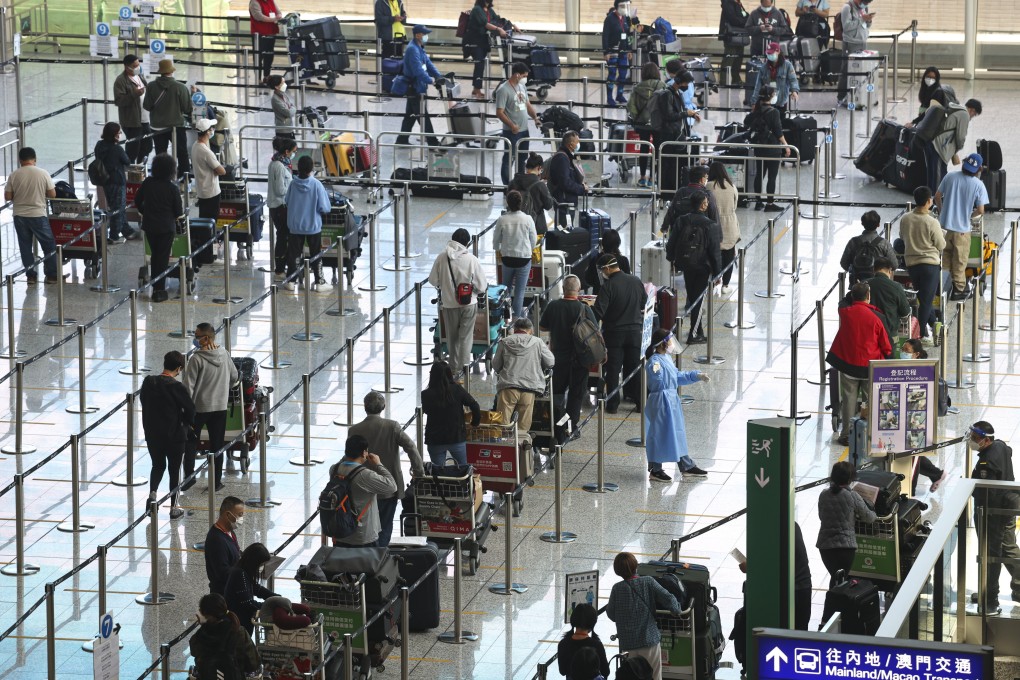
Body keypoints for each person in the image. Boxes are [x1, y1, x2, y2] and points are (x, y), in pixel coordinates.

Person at [348, 391, 424, 547]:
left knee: (365, 525)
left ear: (365, 407)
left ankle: (368, 556)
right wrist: (418, 471)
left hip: (362, 486)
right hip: (388, 488)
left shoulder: (354, 430)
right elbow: (410, 446)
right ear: (383, 407)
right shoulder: (392, 426)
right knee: (385, 526)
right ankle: (380, 556)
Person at [825, 282, 892, 445]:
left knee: (848, 399)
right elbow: (886, 346)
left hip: (849, 365)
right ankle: (871, 433)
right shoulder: (878, 317)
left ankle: (846, 434)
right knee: (871, 400)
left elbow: (842, 302)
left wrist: (851, 295)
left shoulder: (846, 312)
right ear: (868, 296)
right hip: (870, 366)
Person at [606, 551, 684, 680]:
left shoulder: (617, 588)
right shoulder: (648, 581)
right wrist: (677, 610)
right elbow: (668, 599)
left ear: (617, 570)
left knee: (630, 676)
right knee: (654, 676)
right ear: (635, 565)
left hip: (628, 644)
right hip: (649, 641)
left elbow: (611, 614)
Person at [644, 329, 710, 482]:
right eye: (669, 341)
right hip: (661, 400)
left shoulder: (665, 358)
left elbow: (676, 376)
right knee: (659, 434)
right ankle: (655, 469)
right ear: (662, 344)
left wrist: (696, 375)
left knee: (676, 433)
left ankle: (686, 465)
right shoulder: (654, 361)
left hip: (671, 399)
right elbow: (658, 381)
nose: (672, 344)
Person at [968, 421, 1020, 613]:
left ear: (986, 440)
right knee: (1008, 547)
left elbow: (983, 492)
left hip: (993, 512)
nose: (972, 441)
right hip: (1010, 505)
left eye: (975, 438)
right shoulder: (1001, 446)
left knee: (990, 555)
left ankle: (989, 598)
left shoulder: (986, 463)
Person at [182, 322, 239, 493]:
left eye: (197, 336)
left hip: (199, 409)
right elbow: (234, 377)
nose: (195, 338)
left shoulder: (196, 359)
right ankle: (215, 482)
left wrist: (185, 409)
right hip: (220, 408)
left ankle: (189, 478)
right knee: (217, 445)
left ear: (206, 338)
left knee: (191, 442)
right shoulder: (225, 354)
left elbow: (188, 387)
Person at [140, 351, 195, 520]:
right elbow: (191, 410)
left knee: (157, 465)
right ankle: (173, 508)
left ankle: (153, 495)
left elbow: (143, 400)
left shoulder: (149, 382)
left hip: (152, 433)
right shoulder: (177, 387)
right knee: (174, 470)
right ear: (179, 368)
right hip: (174, 435)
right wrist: (186, 422)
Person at [540, 274, 597, 432]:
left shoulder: (553, 306)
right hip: (580, 360)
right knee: (576, 395)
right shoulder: (584, 308)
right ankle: (570, 427)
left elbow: (543, 326)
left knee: (557, 393)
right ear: (578, 290)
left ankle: (556, 423)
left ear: (563, 289)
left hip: (558, 359)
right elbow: (595, 331)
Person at [427, 228, 488, 373]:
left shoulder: (442, 257)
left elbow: (433, 280)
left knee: (452, 338)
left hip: (448, 304)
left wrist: (445, 286)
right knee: (465, 337)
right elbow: (481, 286)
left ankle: (453, 369)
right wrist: (472, 290)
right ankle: (464, 367)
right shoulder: (472, 259)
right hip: (469, 304)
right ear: (467, 243)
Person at [593, 254, 646, 414]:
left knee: (613, 370)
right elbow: (644, 302)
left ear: (607, 268)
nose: (602, 273)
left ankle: (612, 405)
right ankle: (639, 401)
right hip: (635, 333)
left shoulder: (608, 287)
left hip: (614, 334)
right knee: (634, 368)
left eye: (602, 270)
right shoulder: (635, 280)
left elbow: (598, 312)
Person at [669, 190, 723, 344]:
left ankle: (697, 329)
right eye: (705, 202)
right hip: (702, 266)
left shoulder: (682, 220)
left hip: (686, 264)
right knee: (698, 299)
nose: (707, 204)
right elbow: (714, 252)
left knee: (693, 296)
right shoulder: (710, 225)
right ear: (702, 205)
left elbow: (672, 242)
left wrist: (672, 258)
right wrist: (718, 273)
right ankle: (694, 334)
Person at [327, 434, 398, 548]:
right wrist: (378, 464)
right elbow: (392, 486)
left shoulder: (334, 469)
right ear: (364, 452)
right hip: (363, 537)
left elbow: (343, 462)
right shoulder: (365, 475)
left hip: (340, 531)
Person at [936, 153, 988, 300]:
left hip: (944, 227)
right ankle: (959, 290)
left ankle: (943, 289)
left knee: (945, 260)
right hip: (962, 231)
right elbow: (981, 210)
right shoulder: (978, 185)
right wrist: (969, 217)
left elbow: (937, 196)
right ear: (978, 170)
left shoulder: (950, 176)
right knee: (959, 261)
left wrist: (941, 211)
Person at [816, 461, 878, 586]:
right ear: (850, 478)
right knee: (840, 581)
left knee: (836, 578)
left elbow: (821, 516)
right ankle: (834, 604)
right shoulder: (852, 495)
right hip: (844, 547)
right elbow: (869, 518)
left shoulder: (823, 494)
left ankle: (831, 604)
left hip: (825, 546)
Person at [898, 340, 947, 496]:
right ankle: (936, 474)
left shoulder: (924, 369)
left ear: (916, 354)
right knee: (911, 453)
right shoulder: (903, 366)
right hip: (904, 418)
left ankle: (910, 491)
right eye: (902, 349)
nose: (902, 352)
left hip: (918, 418)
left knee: (913, 453)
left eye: (906, 350)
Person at [133, 153, 184, 302]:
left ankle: (155, 284)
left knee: (155, 255)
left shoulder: (148, 183)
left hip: (150, 225)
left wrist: (144, 212)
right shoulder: (172, 188)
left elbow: (137, 200)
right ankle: (158, 290)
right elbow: (178, 212)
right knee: (161, 258)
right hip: (166, 228)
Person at [492, 318, 555, 435]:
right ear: (530, 330)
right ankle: (519, 450)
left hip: (508, 387)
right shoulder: (538, 342)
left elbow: (496, 366)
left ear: (515, 329)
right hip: (529, 389)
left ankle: (504, 448)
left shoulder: (504, 341)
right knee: (523, 428)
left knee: (502, 425)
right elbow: (550, 362)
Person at [4, 147, 58, 284]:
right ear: (35, 159)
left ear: (20, 160)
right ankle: (51, 275)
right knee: (48, 245)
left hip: (19, 216)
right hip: (38, 214)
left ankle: (31, 276)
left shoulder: (14, 175)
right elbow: (52, 194)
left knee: (25, 246)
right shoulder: (43, 173)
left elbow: (8, 196)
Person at [899, 186, 946, 344]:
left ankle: (933, 326)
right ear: (928, 201)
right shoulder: (931, 221)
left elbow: (901, 236)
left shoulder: (906, 218)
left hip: (912, 265)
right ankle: (917, 337)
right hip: (930, 266)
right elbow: (941, 244)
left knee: (923, 298)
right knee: (926, 301)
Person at [283, 154, 330, 289]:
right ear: (311, 169)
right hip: (313, 226)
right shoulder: (316, 184)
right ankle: (319, 281)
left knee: (294, 254)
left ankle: (291, 281)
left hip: (295, 226)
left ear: (298, 168)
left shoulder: (293, 184)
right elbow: (325, 207)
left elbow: (287, 201)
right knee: (316, 253)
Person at [421, 361, 481, 466]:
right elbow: (475, 406)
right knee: (463, 471)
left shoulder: (426, 394)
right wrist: (474, 423)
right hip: (456, 438)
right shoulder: (457, 389)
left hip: (435, 440)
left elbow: (426, 410)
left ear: (432, 375)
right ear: (450, 374)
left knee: (438, 473)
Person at [189, 593, 261, 680]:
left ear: (204, 614)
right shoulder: (239, 631)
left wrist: (202, 625)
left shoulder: (200, 636)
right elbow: (253, 664)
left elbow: (194, 652)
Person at [142, 59, 193, 177]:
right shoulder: (180, 87)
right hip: (176, 126)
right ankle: (183, 179)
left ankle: (162, 178)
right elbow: (187, 108)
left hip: (157, 126)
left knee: (161, 154)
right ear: (171, 71)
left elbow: (147, 106)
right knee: (182, 153)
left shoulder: (151, 86)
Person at [492, 189, 537, 319]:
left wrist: (498, 249)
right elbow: (533, 239)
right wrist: (529, 249)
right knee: (520, 291)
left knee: (505, 289)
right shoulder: (528, 219)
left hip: (507, 259)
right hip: (523, 259)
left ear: (508, 203)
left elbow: (496, 240)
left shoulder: (502, 219)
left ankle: (505, 316)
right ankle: (517, 319)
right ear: (520, 203)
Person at [743, 86, 790, 211]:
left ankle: (758, 202)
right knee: (772, 177)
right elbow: (778, 132)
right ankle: (769, 204)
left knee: (760, 175)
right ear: (770, 97)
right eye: (774, 94)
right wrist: (786, 146)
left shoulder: (756, 110)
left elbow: (746, 122)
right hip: (773, 148)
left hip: (759, 147)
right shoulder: (774, 112)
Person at [396, 25, 443, 147]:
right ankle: (433, 143)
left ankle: (402, 140)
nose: (427, 36)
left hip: (418, 86)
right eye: (425, 34)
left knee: (410, 116)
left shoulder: (419, 47)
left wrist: (439, 76)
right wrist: (431, 81)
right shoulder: (413, 49)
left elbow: (428, 63)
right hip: (415, 87)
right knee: (423, 117)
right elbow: (418, 71)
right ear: (418, 35)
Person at [495, 62, 541, 185]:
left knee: (522, 159)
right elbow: (499, 112)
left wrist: (535, 117)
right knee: (509, 159)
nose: (525, 78)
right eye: (524, 76)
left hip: (524, 130)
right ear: (516, 75)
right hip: (512, 132)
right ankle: (507, 185)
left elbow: (527, 104)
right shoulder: (503, 90)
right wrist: (511, 125)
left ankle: (520, 183)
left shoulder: (522, 87)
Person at [653, 71, 696, 196]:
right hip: (668, 135)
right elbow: (668, 115)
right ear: (680, 82)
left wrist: (690, 114)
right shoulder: (666, 94)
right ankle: (666, 192)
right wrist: (685, 114)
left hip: (677, 134)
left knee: (675, 165)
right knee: (667, 165)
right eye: (686, 83)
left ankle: (673, 191)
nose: (687, 85)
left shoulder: (678, 93)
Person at [93, 121, 137, 243]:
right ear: (115, 135)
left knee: (115, 206)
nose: (120, 134)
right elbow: (127, 161)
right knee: (118, 208)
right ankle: (114, 236)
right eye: (119, 132)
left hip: (106, 181)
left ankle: (127, 231)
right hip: (117, 181)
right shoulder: (117, 149)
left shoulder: (99, 145)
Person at [224, 542, 278, 635]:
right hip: (238, 625)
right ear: (254, 562)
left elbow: (258, 589)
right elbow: (248, 603)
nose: (261, 568)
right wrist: (270, 605)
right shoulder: (239, 574)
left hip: (241, 623)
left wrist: (277, 598)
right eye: (261, 564)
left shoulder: (243, 572)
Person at [627, 62, 664, 188]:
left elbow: (630, 106)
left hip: (642, 124)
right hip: (658, 124)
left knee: (644, 149)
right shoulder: (662, 86)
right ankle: (653, 178)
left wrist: (637, 117)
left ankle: (642, 177)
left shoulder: (637, 88)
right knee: (658, 150)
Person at [464, 0, 509, 99]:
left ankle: (476, 88)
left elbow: (498, 20)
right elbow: (485, 24)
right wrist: (499, 29)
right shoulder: (477, 10)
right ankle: (477, 89)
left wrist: (512, 26)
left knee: (480, 64)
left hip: (482, 40)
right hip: (474, 41)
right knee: (479, 64)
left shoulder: (489, 10)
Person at [838, 209, 897, 283]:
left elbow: (844, 263)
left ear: (862, 224)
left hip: (858, 285)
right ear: (878, 225)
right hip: (878, 284)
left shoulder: (853, 242)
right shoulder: (884, 243)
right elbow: (894, 265)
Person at [113, 54, 152, 164]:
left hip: (144, 119)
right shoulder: (120, 81)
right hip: (132, 121)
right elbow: (119, 101)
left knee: (147, 145)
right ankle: (128, 170)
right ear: (127, 67)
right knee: (133, 149)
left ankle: (139, 167)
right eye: (135, 66)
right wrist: (134, 94)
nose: (138, 67)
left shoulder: (139, 75)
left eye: (138, 65)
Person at [708, 161, 740, 292]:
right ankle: (726, 285)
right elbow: (735, 204)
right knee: (729, 255)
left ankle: (715, 279)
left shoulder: (708, 186)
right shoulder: (732, 186)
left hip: (714, 223)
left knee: (713, 254)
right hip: (730, 224)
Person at [204, 496, 246, 595]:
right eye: (240, 515)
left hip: (234, 589)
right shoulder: (216, 540)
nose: (241, 518)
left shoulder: (229, 531)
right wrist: (245, 571)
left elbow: (235, 554)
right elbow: (223, 573)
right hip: (224, 594)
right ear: (228, 514)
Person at [267, 136, 296, 278]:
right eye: (292, 152)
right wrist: (293, 186)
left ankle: (281, 266)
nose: (293, 154)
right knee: (283, 236)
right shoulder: (278, 166)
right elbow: (279, 190)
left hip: (280, 206)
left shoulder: (279, 163)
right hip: (279, 207)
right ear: (286, 151)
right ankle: (279, 268)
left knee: (283, 235)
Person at [865, 257, 910, 348]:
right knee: (888, 360)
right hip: (890, 334)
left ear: (874, 270)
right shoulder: (896, 286)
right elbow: (905, 312)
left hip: (868, 333)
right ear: (890, 270)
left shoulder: (864, 284)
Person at [602, 0, 640, 106]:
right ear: (617, 6)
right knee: (612, 74)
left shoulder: (625, 18)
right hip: (612, 50)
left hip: (623, 50)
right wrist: (606, 52)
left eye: (626, 5)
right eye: (622, 5)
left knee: (623, 74)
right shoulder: (609, 19)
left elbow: (627, 34)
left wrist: (628, 50)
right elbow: (605, 36)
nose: (625, 7)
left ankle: (619, 94)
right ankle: (610, 97)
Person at [661, 164, 720, 234]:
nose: (707, 180)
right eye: (706, 177)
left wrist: (664, 227)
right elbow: (714, 215)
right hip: (701, 235)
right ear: (702, 179)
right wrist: (718, 235)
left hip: (680, 233)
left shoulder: (681, 191)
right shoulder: (707, 194)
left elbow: (671, 211)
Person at [836, 0, 874, 107]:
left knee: (860, 70)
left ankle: (857, 96)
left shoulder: (864, 8)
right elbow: (846, 27)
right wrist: (862, 19)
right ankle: (841, 97)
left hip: (862, 42)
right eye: (865, 2)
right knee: (846, 69)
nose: (865, 5)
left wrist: (869, 21)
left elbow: (866, 25)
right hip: (850, 43)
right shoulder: (847, 8)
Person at [558, 603, 610, 680]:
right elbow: (605, 672)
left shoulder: (563, 643)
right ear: (592, 622)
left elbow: (563, 671)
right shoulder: (596, 645)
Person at [547, 131, 588, 228]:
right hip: (564, 202)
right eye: (577, 142)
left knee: (566, 229)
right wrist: (582, 188)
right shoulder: (562, 158)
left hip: (566, 201)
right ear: (571, 144)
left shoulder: (566, 157)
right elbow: (565, 182)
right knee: (564, 231)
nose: (579, 144)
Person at [507, 152, 555, 234]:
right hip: (535, 226)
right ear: (539, 168)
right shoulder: (540, 185)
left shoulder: (513, 182)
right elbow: (548, 205)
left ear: (526, 167)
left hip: (513, 225)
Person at [191, 118, 226, 224]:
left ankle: (204, 240)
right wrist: (216, 170)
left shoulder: (195, 146)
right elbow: (222, 171)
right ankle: (210, 240)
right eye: (212, 128)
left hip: (202, 191)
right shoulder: (206, 152)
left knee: (204, 220)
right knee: (211, 222)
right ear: (207, 132)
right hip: (211, 192)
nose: (213, 130)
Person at [753, 42, 800, 116]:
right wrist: (754, 101)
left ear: (778, 52)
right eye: (768, 53)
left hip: (781, 101)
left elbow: (793, 79)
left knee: (780, 123)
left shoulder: (787, 65)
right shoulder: (763, 68)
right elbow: (757, 86)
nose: (769, 55)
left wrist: (794, 90)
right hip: (767, 103)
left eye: (771, 53)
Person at [584, 229, 631, 294]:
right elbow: (627, 281)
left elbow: (589, 280)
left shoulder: (595, 259)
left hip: (599, 295)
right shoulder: (623, 260)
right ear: (618, 243)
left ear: (603, 243)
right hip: (618, 296)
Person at [249, 0, 283, 84]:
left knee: (269, 56)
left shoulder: (271, 1)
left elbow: (278, 12)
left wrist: (279, 16)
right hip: (259, 34)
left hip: (271, 32)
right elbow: (259, 16)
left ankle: (267, 77)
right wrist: (274, 19)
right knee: (258, 57)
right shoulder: (254, 2)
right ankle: (258, 79)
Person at [719, 0, 750, 85]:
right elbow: (734, 19)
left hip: (740, 36)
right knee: (729, 59)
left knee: (738, 59)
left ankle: (736, 79)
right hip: (730, 36)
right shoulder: (727, 2)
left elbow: (746, 15)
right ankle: (723, 81)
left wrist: (745, 18)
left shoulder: (738, 3)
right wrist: (745, 21)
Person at [267, 74, 296, 138]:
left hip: (289, 128)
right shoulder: (275, 99)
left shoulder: (284, 94)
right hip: (283, 131)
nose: (285, 84)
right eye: (282, 83)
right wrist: (293, 109)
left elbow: (292, 106)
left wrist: (292, 108)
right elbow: (288, 112)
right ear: (276, 87)